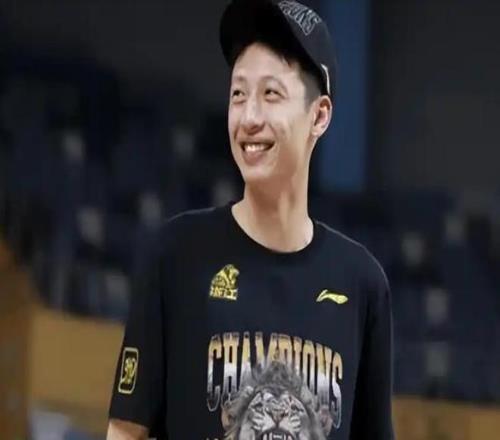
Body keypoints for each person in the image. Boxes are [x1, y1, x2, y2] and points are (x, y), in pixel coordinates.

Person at [107, 0, 394, 439]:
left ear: (319, 115)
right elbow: (126, 430)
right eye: (238, 94)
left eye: (270, 94)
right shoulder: (176, 255)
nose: (249, 118)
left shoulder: (362, 286)